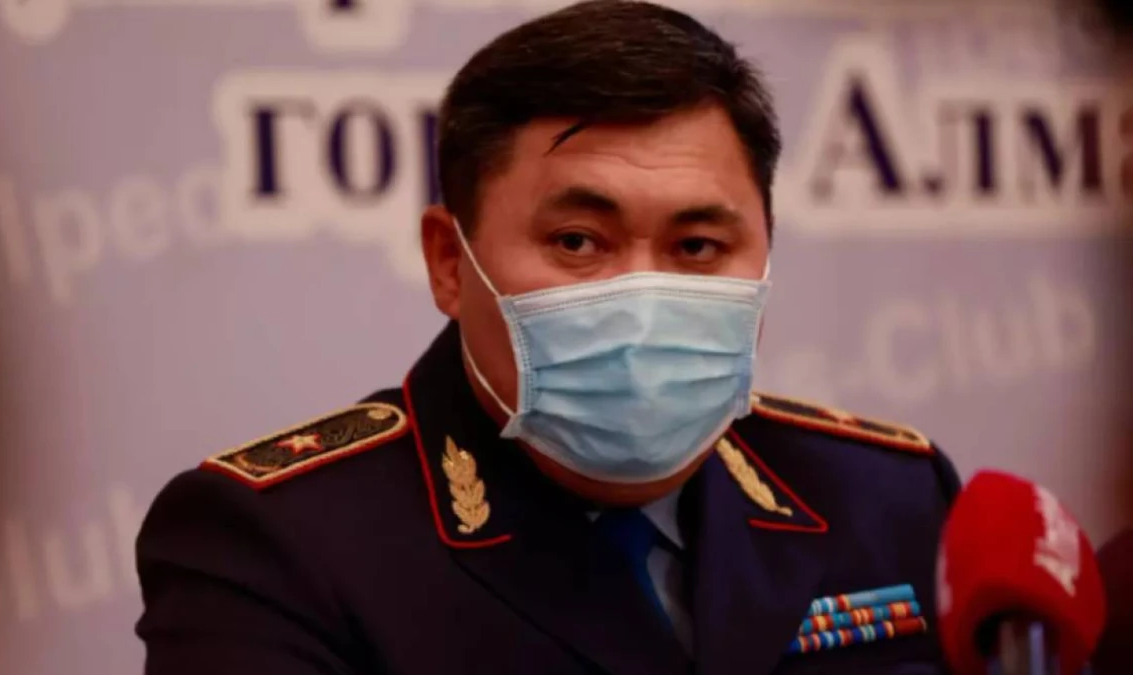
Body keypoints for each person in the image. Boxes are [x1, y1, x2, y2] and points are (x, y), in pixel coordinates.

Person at [135, 1, 961, 673]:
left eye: (697, 246)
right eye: (577, 241)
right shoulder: (277, 546)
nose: (642, 299)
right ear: (450, 261)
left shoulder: (884, 496)